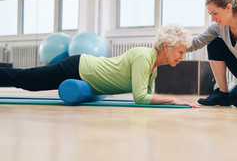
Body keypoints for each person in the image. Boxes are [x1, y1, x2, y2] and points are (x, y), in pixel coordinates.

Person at [0, 24, 199, 108]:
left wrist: (171, 102)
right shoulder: (143, 57)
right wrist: (173, 99)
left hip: (85, 75)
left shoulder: (153, 69)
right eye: (180, 51)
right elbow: (140, 98)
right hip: (79, 68)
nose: (182, 57)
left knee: (28, 80)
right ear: (166, 46)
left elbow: (147, 100)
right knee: (27, 80)